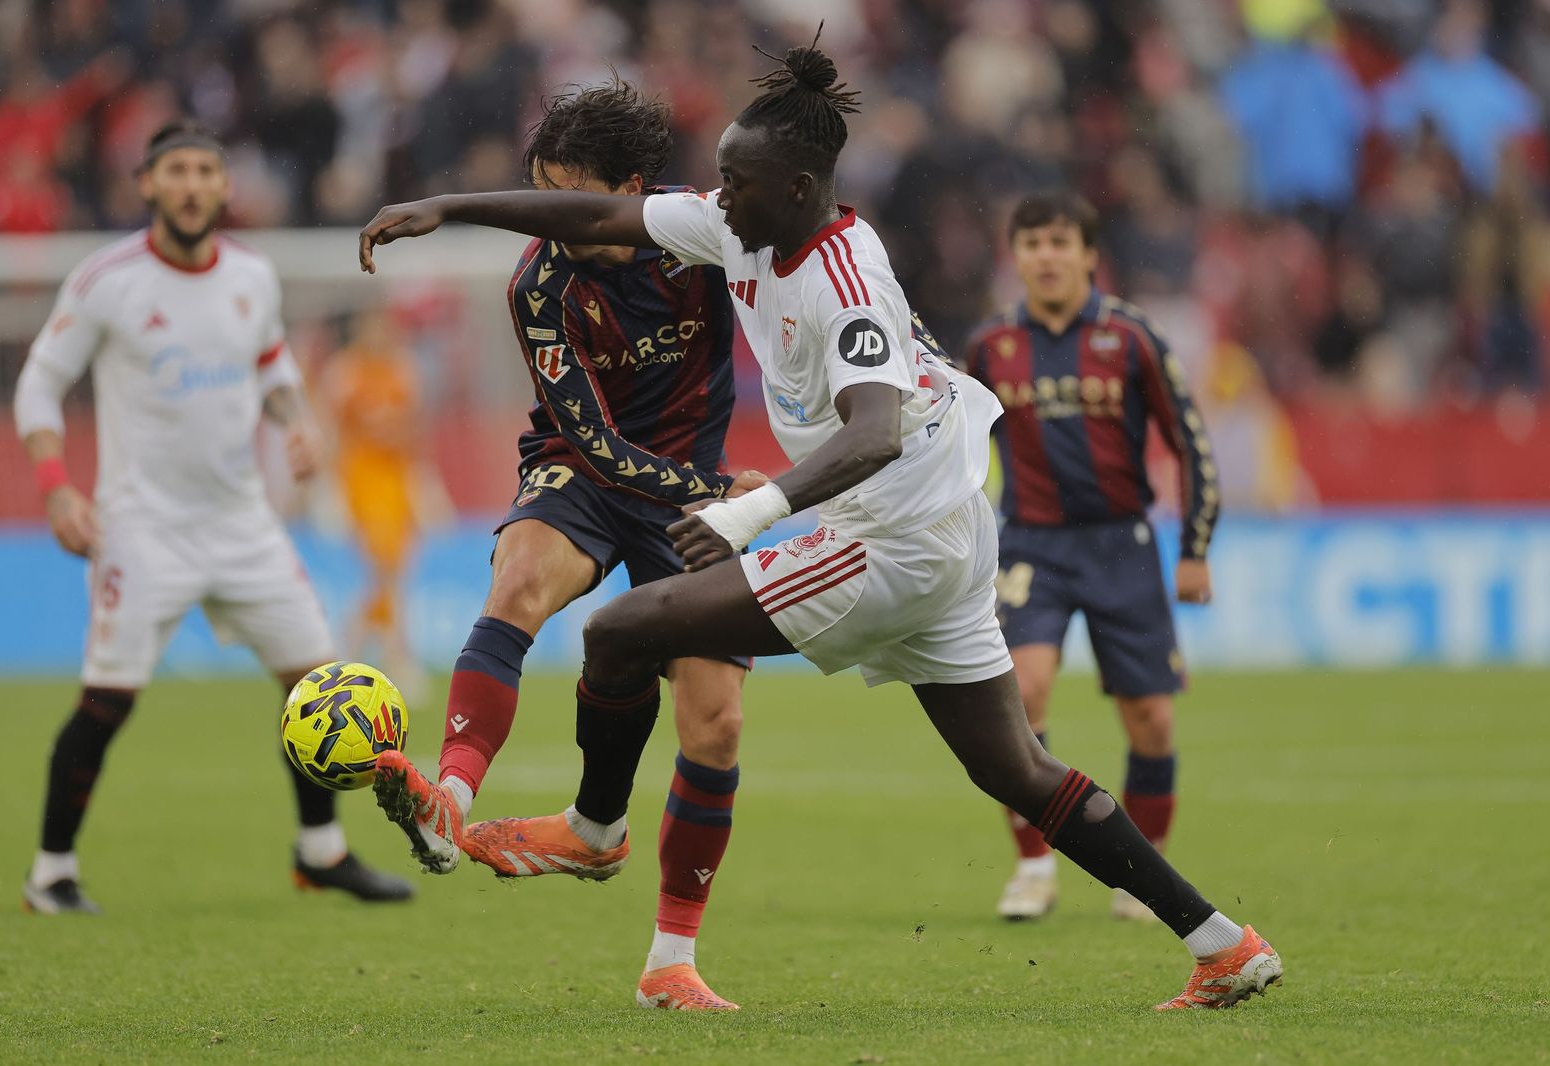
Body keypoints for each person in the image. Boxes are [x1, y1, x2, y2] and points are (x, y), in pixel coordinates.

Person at [359, 38, 1282, 1011]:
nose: (713, 195)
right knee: (1015, 766)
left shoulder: (844, 282)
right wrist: (445, 210)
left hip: (888, 542)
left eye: (733, 181)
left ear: (797, 186)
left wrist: (749, 510)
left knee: (622, 628)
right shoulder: (744, 225)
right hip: (941, 532)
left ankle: (594, 832)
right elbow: (600, 211)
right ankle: (1222, 942)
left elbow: (874, 430)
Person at [366, 81, 758, 1010]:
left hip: (689, 489)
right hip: (587, 472)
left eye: (568, 198)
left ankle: (671, 962)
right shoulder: (540, 283)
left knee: (718, 721)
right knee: (520, 583)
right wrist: (724, 492)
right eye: (538, 194)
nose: (552, 220)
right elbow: (595, 446)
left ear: (628, 188)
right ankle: (448, 802)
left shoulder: (703, 245)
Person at [13, 120, 411, 913]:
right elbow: (38, 383)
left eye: (205, 171)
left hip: (243, 523)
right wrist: (57, 486)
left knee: (315, 685)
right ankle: (50, 873)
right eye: (176, 171)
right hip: (141, 528)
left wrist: (296, 417)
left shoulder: (252, 276)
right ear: (148, 185)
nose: (192, 185)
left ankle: (320, 851)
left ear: (225, 187)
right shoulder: (107, 280)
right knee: (108, 702)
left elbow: (272, 363)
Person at [962, 191, 1219, 922]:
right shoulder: (988, 347)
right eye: (1032, 243)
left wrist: (1195, 546)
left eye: (1058, 242)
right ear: (1015, 258)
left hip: (1121, 543)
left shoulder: (1132, 336)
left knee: (1152, 722)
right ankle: (1035, 866)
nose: (1045, 256)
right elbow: (951, 450)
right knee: (1024, 695)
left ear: (1087, 255)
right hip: (1030, 544)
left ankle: (1140, 873)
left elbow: (1189, 439)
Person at [322, 310, 430, 688]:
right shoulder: (346, 373)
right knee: (385, 568)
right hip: (361, 479)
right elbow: (332, 432)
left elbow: (413, 431)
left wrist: (424, 485)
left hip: (396, 479)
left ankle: (349, 651)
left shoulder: (402, 371)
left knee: (393, 571)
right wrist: (329, 489)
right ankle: (393, 658)